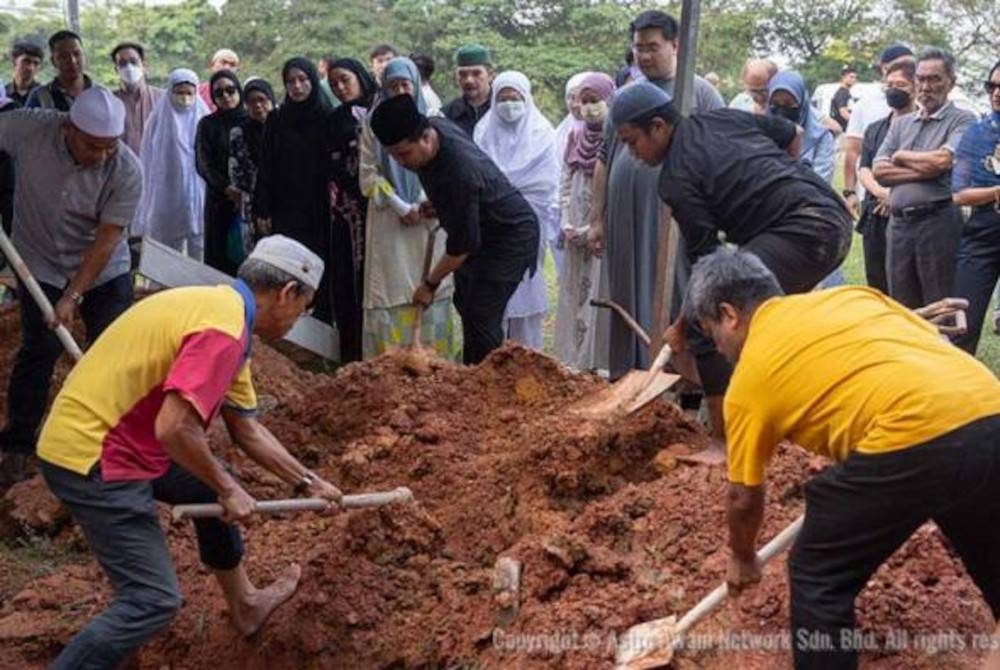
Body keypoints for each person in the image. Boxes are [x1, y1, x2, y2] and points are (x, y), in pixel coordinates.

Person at [37, 235, 343, 669]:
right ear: (288, 292)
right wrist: (228, 489)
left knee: (206, 480)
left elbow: (247, 429)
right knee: (152, 599)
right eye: (303, 307)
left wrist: (308, 482)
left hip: (111, 439)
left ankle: (246, 604)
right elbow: (174, 427)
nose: (299, 318)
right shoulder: (222, 331)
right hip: (94, 454)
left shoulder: (224, 313)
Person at [688, 249, 1000, 670]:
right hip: (988, 411)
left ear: (729, 315)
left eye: (712, 335)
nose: (720, 350)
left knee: (819, 575)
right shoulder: (855, 297)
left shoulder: (750, 378)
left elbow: (744, 497)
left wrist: (742, 558)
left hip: (915, 434)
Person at [611, 82, 852, 457]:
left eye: (631, 141)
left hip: (802, 232)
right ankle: (784, 416)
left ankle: (724, 441)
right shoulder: (720, 119)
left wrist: (683, 326)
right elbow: (793, 134)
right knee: (761, 323)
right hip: (831, 215)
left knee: (711, 310)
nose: (633, 154)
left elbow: (707, 264)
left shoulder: (676, 178)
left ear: (658, 126)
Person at [0, 88, 140, 487]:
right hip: (39, 259)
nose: (102, 156)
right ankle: (16, 447)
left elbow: (108, 237)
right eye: (94, 147)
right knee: (37, 351)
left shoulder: (126, 169)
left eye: (110, 147)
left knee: (111, 356)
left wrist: (73, 296)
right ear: (69, 129)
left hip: (103, 269)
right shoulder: (29, 129)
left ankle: (110, 448)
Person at [587, 9, 724, 379]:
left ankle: (682, 374)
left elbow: (717, 154)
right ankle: (629, 369)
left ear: (675, 45)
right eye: (638, 48)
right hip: (623, 214)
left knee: (675, 285)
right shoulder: (625, 96)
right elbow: (605, 158)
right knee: (627, 287)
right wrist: (596, 218)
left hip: (675, 214)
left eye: (653, 47)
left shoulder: (699, 93)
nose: (644, 56)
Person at [370, 94, 539, 365]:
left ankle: (485, 382)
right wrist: (439, 204)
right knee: (466, 301)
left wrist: (429, 284)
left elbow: (462, 246)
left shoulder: (458, 172)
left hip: (510, 236)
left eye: (403, 154)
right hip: (480, 223)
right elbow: (464, 203)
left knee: (481, 314)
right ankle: (474, 371)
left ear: (425, 138)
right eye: (393, 157)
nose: (401, 163)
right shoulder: (436, 125)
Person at [360, 57, 454, 359]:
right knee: (390, 291)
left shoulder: (433, 116)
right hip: (390, 222)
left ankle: (434, 368)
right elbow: (368, 173)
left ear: (415, 85)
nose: (400, 91)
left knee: (432, 287)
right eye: (393, 86)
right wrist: (401, 206)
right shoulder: (372, 123)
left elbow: (443, 164)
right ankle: (390, 369)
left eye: (405, 84)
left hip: (429, 217)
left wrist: (426, 200)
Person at [873, 47, 976, 309]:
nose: (926, 86)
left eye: (934, 79)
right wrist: (925, 168)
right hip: (898, 226)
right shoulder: (901, 123)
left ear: (950, 82)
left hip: (937, 223)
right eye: (921, 79)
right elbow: (880, 172)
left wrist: (901, 155)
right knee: (903, 307)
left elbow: (943, 161)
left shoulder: (962, 120)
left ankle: (942, 351)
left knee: (941, 306)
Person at [474, 71, 558, 351]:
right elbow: (480, 176)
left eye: (515, 98)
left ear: (527, 98)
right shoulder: (483, 131)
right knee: (495, 293)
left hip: (531, 222)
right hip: (493, 223)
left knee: (525, 286)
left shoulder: (543, 132)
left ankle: (527, 352)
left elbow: (546, 182)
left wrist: (507, 192)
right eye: (503, 99)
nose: (509, 104)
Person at [255, 58, 335, 322]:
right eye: (291, 81)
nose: (297, 86)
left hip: (319, 206)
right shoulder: (277, 118)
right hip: (285, 205)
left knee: (318, 264)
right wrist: (262, 207)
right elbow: (266, 164)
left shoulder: (327, 116)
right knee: (287, 264)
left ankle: (321, 326)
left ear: (312, 80)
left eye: (303, 80)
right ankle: (287, 325)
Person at [554, 72, 615, 370]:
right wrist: (566, 221)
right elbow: (566, 181)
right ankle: (571, 359)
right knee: (573, 290)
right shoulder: (575, 135)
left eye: (596, 100)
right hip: (574, 229)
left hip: (599, 231)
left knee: (596, 291)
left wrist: (591, 225)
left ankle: (595, 361)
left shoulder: (615, 138)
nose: (590, 107)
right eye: (585, 101)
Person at [327, 58, 378, 363]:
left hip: (383, 207)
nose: (341, 88)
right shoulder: (335, 119)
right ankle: (352, 352)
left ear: (359, 76)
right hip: (349, 214)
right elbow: (330, 164)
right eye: (334, 84)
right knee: (350, 281)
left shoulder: (380, 108)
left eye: (345, 80)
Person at [950, 59, 1000, 354]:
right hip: (981, 237)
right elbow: (958, 193)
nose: (996, 93)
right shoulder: (975, 135)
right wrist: (995, 191)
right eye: (991, 86)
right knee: (961, 325)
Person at [856, 60, 917, 294]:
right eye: (888, 84)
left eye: (900, 84)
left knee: (907, 284)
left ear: (914, 86)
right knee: (877, 283)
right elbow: (865, 169)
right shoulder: (875, 129)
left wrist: (896, 196)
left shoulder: (925, 126)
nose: (893, 89)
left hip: (909, 213)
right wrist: (883, 193)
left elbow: (925, 169)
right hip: (876, 214)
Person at [136, 68, 209, 260]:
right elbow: (147, 159)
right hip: (166, 196)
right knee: (167, 253)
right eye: (179, 92)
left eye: (189, 93)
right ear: (170, 92)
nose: (184, 98)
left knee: (201, 253)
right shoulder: (157, 121)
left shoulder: (205, 119)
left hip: (200, 196)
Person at [843, 44, 915, 216]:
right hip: (872, 201)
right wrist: (850, 191)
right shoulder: (866, 106)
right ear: (884, 68)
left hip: (912, 203)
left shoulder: (928, 115)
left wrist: (896, 195)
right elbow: (856, 155)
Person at [195, 69, 246, 276]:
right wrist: (227, 188)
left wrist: (244, 191)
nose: (226, 96)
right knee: (219, 259)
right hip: (219, 201)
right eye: (219, 93)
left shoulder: (251, 120)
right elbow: (203, 162)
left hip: (248, 202)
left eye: (230, 90)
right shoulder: (207, 124)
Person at [229, 78, 275, 253]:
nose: (257, 106)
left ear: (271, 99)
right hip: (252, 203)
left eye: (262, 100)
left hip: (282, 200)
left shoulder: (282, 128)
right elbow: (235, 170)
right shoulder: (239, 132)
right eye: (251, 101)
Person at [111, 41, 164, 156]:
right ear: (116, 69)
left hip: (156, 169)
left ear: (144, 66)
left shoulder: (162, 99)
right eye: (122, 63)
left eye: (133, 62)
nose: (129, 67)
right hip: (121, 171)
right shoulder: (109, 103)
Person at [26, 30, 92, 110]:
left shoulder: (101, 93)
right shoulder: (40, 97)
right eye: (63, 56)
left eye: (77, 54)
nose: (72, 61)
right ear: (53, 61)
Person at [442, 44, 494, 137]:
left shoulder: (501, 110)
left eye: (476, 73)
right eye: (463, 74)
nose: (469, 80)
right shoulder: (447, 115)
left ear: (490, 75)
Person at [6, 40, 42, 106]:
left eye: (36, 63)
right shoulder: (3, 95)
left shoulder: (44, 95)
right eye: (26, 61)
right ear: (14, 62)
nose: (31, 68)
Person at [829, 65, 856, 131]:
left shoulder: (846, 92)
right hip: (842, 130)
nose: (854, 80)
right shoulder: (842, 93)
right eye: (851, 77)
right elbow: (843, 113)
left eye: (855, 78)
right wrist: (856, 122)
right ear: (843, 77)